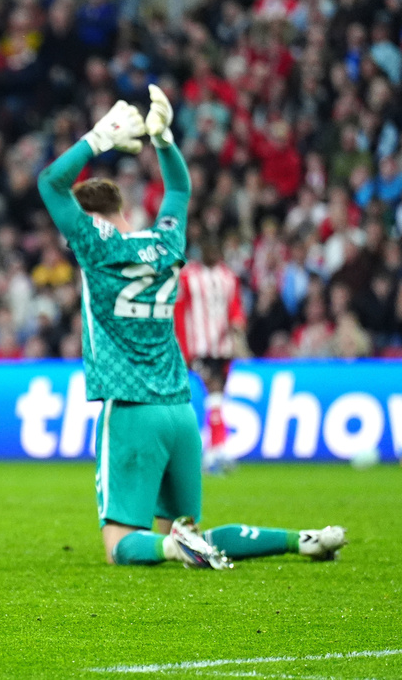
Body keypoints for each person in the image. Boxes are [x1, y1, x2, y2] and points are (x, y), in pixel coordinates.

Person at [36, 86, 345, 569]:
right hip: (181, 410)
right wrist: (163, 140)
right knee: (189, 529)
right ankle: (301, 539)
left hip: (132, 409)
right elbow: (179, 190)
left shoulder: (95, 250)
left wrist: (99, 137)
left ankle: (174, 548)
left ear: (91, 220)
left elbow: (51, 183)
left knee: (123, 545)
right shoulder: (165, 243)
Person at [173, 233, 246, 473]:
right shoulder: (188, 276)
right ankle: (217, 448)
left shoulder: (228, 277)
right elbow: (179, 312)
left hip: (223, 348)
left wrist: (237, 325)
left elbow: (235, 307)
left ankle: (214, 450)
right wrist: (183, 349)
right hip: (199, 348)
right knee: (213, 390)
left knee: (217, 397)